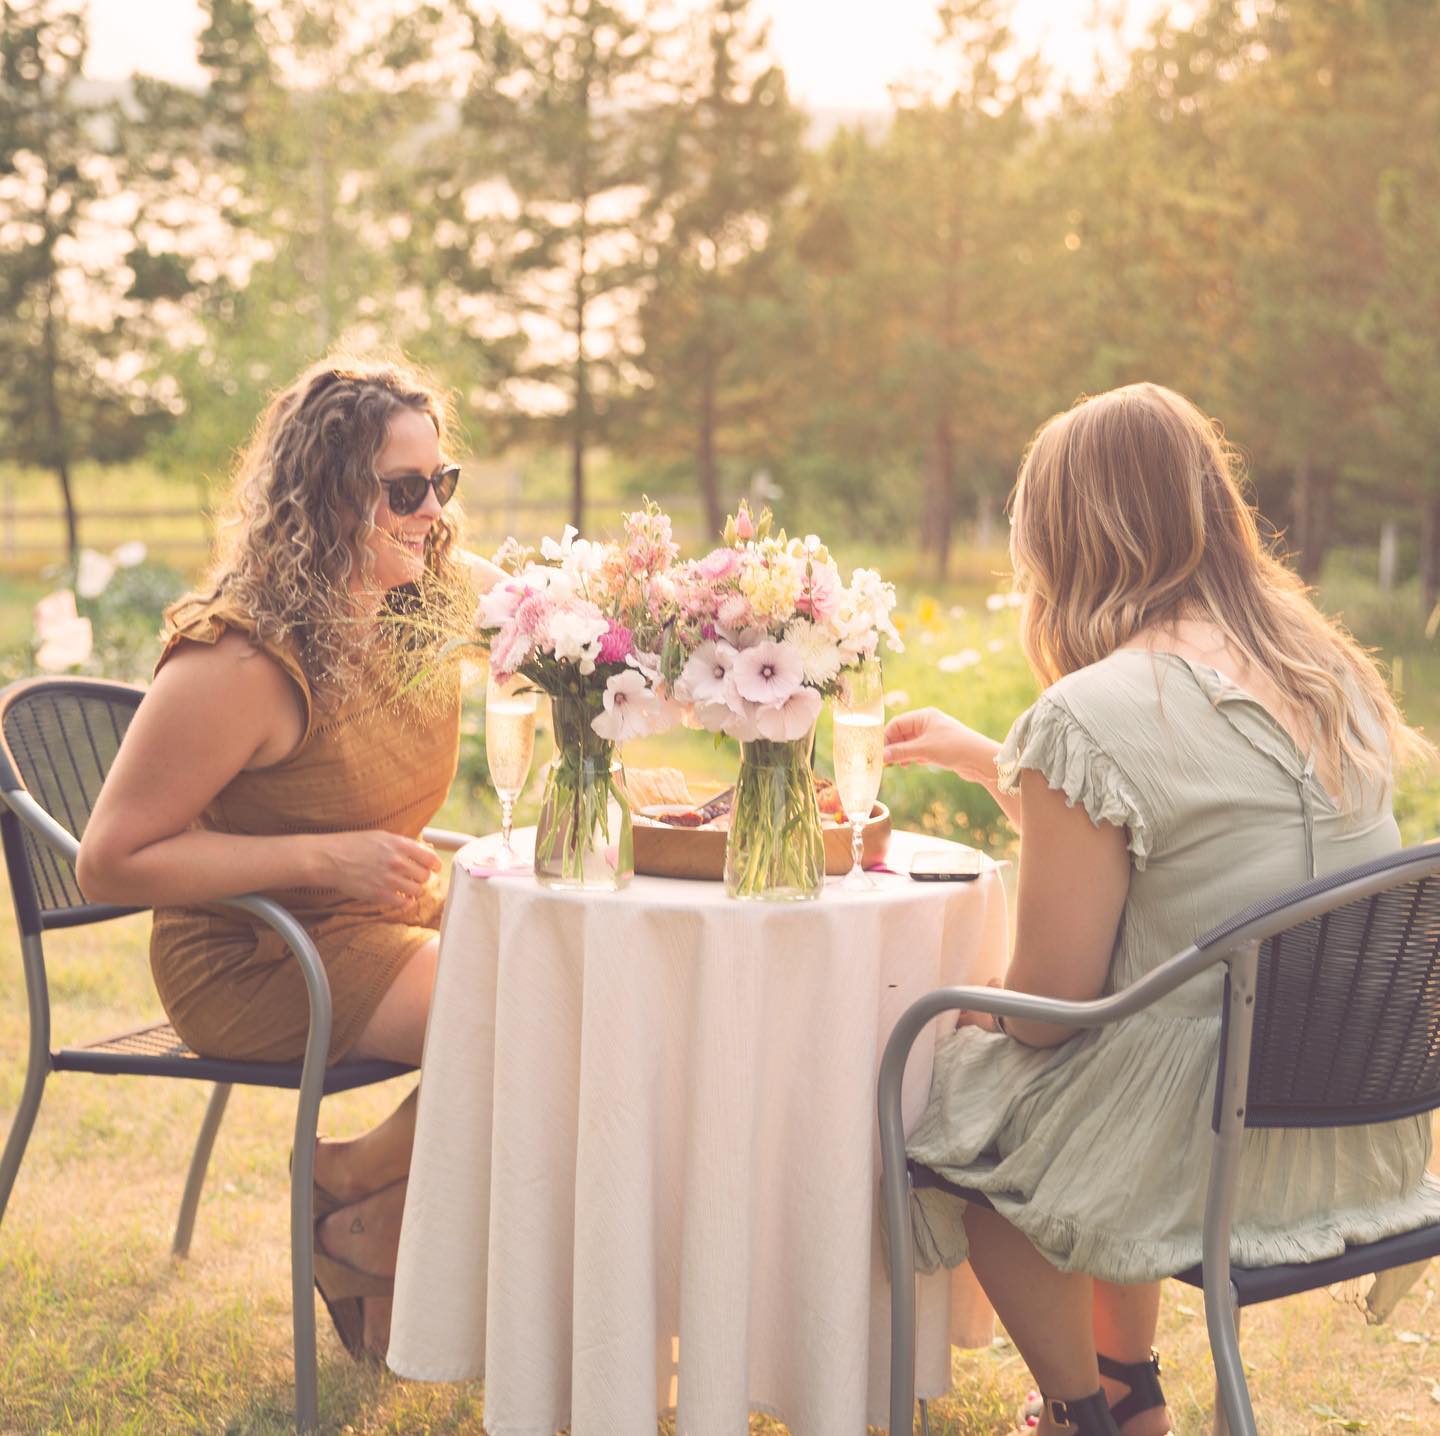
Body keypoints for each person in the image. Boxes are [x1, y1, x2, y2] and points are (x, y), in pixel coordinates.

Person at [883, 382, 1440, 1436]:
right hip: (1356, 1118)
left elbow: (1051, 1011)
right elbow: (1191, 835)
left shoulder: (1091, 714)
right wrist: (990, 759)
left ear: (1067, 540)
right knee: (1096, 1078)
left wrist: (975, 1006)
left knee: (966, 1111)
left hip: (1212, 1143)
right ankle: (1129, 1389)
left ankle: (1085, 1413)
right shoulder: (1330, 672)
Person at [77, 356, 502, 1360]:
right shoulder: (240, 661)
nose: (432, 513)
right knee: (520, 1013)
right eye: (405, 490)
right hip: (255, 951)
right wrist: (325, 859)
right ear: (328, 492)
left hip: (376, 913)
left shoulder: (422, 604)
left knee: (577, 982)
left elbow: (575, 620)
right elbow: (110, 860)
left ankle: (352, 1193)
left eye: (442, 483)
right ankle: (361, 1212)